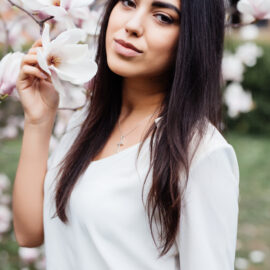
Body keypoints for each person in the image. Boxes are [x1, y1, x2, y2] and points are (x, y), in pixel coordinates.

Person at [12, 0, 240, 269]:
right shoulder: (86, 121)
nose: (132, 25)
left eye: (163, 17)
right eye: (129, 3)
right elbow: (29, 233)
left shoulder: (202, 155)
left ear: (192, 38)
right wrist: (39, 120)